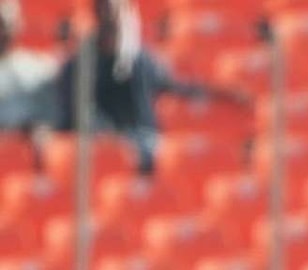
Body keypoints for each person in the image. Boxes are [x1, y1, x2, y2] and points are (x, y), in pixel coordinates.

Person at [57, 0, 250, 174]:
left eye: (120, 12)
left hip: (146, 141)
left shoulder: (141, 60)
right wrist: (110, 138)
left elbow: (176, 86)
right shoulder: (80, 64)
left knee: (181, 158)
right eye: (108, 11)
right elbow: (77, 112)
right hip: (106, 147)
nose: (114, 19)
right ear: (97, 14)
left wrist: (222, 93)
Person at [0, 0, 58, 169]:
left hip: (29, 153)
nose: (2, 31)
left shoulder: (39, 67)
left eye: (6, 24)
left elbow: (50, 118)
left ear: (18, 25)